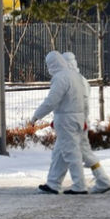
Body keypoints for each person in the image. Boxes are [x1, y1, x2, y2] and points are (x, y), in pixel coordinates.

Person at [31, 51, 87, 195]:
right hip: (76, 117)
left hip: (66, 119)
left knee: (70, 153)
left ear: (52, 64)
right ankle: (53, 183)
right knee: (60, 153)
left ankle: (79, 186)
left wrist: (36, 116)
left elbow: (52, 101)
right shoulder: (74, 75)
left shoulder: (61, 78)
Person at [62, 52, 110, 194]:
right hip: (77, 121)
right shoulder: (78, 79)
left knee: (83, 152)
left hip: (77, 123)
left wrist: (81, 120)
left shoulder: (77, 81)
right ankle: (54, 183)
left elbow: (81, 103)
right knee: (78, 152)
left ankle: (100, 181)